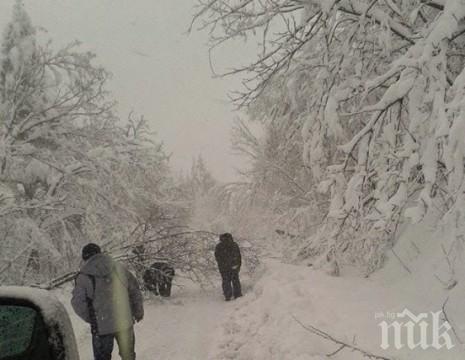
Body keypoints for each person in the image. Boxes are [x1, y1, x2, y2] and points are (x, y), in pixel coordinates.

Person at [71, 243, 144, 360]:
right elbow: (134, 291)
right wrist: (138, 311)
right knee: (128, 356)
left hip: (101, 328)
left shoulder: (83, 277)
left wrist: (92, 318)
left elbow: (77, 303)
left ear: (85, 257)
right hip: (124, 322)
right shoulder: (119, 269)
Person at [214, 233, 242, 301]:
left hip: (224, 268)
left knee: (226, 281)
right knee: (235, 280)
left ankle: (227, 295)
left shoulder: (219, 246)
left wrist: (222, 265)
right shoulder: (234, 245)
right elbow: (239, 256)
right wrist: (238, 266)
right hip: (234, 266)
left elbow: (217, 257)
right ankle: (237, 294)